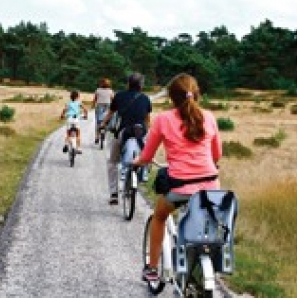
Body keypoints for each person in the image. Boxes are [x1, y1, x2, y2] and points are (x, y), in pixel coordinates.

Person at [131, 73, 222, 282]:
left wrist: (138, 162)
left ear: (171, 98)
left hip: (180, 188)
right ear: (197, 94)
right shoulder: (209, 117)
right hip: (211, 186)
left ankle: (152, 268)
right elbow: (217, 155)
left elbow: (147, 156)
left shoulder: (164, 119)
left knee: (160, 216)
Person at [100, 72, 152, 205]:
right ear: (141, 85)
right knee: (147, 153)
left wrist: (103, 124)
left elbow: (110, 114)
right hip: (140, 133)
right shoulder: (146, 99)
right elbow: (147, 120)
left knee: (112, 162)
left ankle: (113, 193)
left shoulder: (119, 96)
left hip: (124, 133)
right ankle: (144, 171)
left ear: (128, 83)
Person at [60, 90, 88, 154]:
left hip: (69, 119)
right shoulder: (79, 102)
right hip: (76, 120)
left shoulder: (68, 103)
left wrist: (62, 115)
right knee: (78, 134)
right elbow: (85, 109)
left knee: (68, 134)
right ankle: (78, 148)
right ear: (78, 96)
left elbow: (65, 110)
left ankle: (66, 145)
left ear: (70, 96)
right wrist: (85, 116)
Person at [92, 78, 114, 144]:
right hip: (108, 106)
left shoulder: (98, 90)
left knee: (98, 122)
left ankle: (97, 137)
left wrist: (93, 105)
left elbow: (95, 99)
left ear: (101, 84)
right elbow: (113, 99)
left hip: (99, 106)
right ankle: (105, 133)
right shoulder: (111, 91)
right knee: (107, 121)